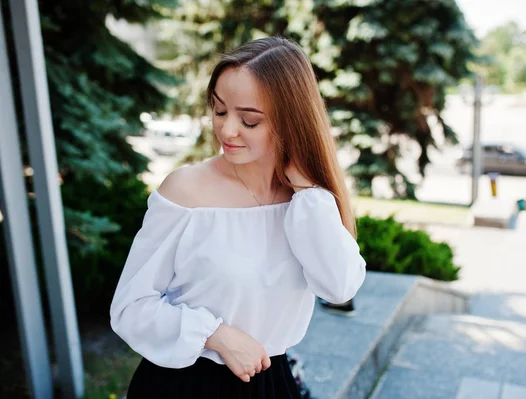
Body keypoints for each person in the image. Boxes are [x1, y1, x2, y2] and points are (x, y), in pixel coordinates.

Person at [109, 36, 367, 399]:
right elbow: (130, 308)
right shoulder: (186, 191)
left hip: (272, 382)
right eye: (219, 111)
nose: (227, 131)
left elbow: (339, 287)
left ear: (290, 121)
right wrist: (215, 335)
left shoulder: (307, 201)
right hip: (185, 384)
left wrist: (310, 195)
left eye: (249, 120)